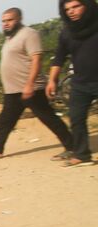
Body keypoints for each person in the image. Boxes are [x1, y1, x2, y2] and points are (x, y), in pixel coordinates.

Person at [0, 7, 73, 161]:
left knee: (48, 118)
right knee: (5, 121)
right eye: (3, 21)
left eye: (9, 20)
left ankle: (72, 147)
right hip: (13, 90)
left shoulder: (29, 34)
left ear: (19, 19)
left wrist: (29, 84)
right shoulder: (10, 38)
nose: (6, 24)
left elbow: (37, 59)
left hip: (31, 88)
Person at [46, 0, 98, 167]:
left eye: (75, 6)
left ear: (87, 5)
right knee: (76, 118)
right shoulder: (67, 33)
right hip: (81, 83)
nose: (71, 11)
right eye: (67, 9)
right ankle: (82, 155)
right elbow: (59, 57)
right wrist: (52, 80)